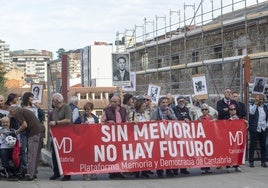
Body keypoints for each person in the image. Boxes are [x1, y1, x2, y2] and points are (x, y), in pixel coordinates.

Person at [9, 104, 44, 181]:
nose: (10, 114)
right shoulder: (23, 111)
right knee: (36, 154)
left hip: (34, 132)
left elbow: (24, 125)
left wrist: (17, 131)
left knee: (31, 154)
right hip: (40, 131)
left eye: (10, 112)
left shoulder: (18, 113)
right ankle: (33, 173)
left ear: (13, 111)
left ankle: (29, 175)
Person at [150, 96, 177, 178]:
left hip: (168, 135)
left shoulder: (170, 110)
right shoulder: (155, 111)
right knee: (159, 153)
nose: (165, 104)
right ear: (159, 104)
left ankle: (169, 170)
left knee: (168, 153)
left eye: (166, 102)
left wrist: (170, 116)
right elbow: (151, 122)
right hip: (159, 136)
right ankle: (160, 171)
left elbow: (176, 120)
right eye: (163, 102)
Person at [101, 94, 126, 179]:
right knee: (112, 154)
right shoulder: (106, 110)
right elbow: (102, 122)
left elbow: (125, 121)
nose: (113, 103)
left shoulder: (123, 110)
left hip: (121, 134)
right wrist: (108, 122)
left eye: (115, 102)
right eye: (111, 101)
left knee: (120, 154)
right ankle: (112, 172)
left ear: (119, 102)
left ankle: (119, 171)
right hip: (110, 135)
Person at [48, 93, 72, 181]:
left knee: (65, 155)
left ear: (57, 101)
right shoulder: (55, 109)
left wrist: (56, 123)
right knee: (54, 154)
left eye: (53, 100)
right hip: (56, 135)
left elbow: (68, 120)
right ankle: (56, 172)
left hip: (65, 135)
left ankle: (67, 174)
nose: (52, 102)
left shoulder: (66, 107)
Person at [129, 98, 152, 178]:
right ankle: (136, 171)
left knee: (145, 153)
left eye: (145, 106)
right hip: (136, 136)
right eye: (143, 106)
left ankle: (144, 171)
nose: (144, 107)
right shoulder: (132, 113)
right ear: (138, 106)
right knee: (137, 154)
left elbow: (149, 122)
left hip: (145, 136)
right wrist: (132, 122)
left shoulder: (146, 113)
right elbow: (127, 123)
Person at [172, 96, 191, 175]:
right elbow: (176, 118)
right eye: (180, 101)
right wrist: (184, 119)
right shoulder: (175, 109)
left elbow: (189, 118)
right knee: (176, 151)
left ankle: (184, 168)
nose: (182, 102)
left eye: (183, 101)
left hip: (185, 133)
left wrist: (187, 120)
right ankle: (175, 170)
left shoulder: (186, 109)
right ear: (177, 102)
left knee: (184, 150)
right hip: (176, 132)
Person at [248, 94, 268, 168]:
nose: (260, 101)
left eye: (261, 99)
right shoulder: (252, 106)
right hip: (255, 128)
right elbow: (252, 112)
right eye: (259, 100)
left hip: (263, 128)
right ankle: (251, 161)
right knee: (252, 145)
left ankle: (263, 162)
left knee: (263, 145)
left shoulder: (265, 107)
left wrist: (266, 125)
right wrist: (255, 103)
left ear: (263, 100)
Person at [81, 101, 99, 180]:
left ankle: (93, 173)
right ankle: (85, 174)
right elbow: (78, 127)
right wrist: (82, 125)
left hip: (93, 139)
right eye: (85, 109)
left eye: (88, 109)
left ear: (91, 109)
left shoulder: (95, 118)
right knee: (85, 157)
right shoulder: (82, 117)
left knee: (93, 157)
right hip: (85, 140)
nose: (87, 111)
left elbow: (98, 127)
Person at [198, 103, 215, 174]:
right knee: (202, 153)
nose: (204, 111)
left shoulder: (211, 117)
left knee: (208, 153)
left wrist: (214, 121)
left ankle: (208, 167)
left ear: (208, 110)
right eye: (203, 110)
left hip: (210, 137)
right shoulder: (199, 118)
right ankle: (203, 167)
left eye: (206, 109)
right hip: (202, 138)